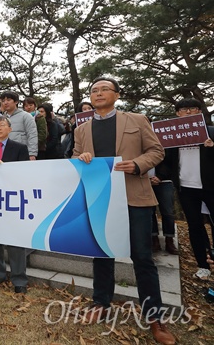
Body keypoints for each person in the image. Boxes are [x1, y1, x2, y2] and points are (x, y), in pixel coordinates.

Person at [73, 77, 174, 345]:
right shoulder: (82, 129)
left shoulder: (137, 120)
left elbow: (156, 150)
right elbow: (73, 158)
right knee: (101, 252)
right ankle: (101, 303)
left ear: (117, 94)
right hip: (100, 199)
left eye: (104, 89)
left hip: (134, 197)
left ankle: (154, 317)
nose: (98, 93)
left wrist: (138, 164)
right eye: (94, 91)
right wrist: (80, 159)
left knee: (142, 257)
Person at [160, 98, 214, 279]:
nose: (188, 112)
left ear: (199, 111)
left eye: (193, 108)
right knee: (195, 226)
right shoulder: (173, 137)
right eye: (184, 109)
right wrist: (159, 176)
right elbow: (166, 163)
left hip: (210, 187)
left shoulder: (211, 132)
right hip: (186, 189)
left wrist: (212, 147)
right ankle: (202, 265)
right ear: (177, 114)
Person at [0, 115, 30, 293]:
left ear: (10, 129)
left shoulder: (20, 149)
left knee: (15, 241)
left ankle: (19, 280)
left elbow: (25, 173)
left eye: (3, 125)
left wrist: (5, 168)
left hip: (13, 199)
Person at [0, 91, 38, 160]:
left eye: (8, 100)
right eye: (3, 101)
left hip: (20, 154)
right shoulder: (0, 118)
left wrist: (32, 153)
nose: (5, 103)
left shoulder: (26, 116)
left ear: (16, 102)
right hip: (3, 153)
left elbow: (32, 135)